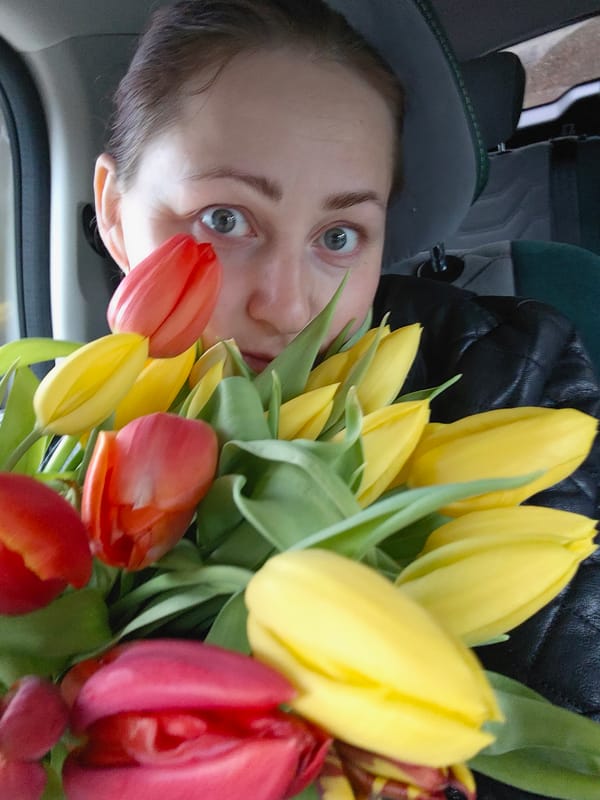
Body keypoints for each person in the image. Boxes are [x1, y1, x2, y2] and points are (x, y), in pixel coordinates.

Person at [92, 1, 600, 797]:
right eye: (225, 219)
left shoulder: (504, 376)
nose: (289, 308)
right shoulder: (49, 448)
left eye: (339, 236)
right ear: (115, 214)